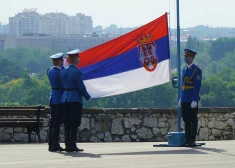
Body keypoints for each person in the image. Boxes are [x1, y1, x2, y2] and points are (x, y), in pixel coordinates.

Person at [60, 49, 91, 152]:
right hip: (75, 99)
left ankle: (67, 144)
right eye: (78, 58)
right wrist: (87, 96)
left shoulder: (63, 71)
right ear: (76, 59)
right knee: (74, 123)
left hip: (65, 98)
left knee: (67, 123)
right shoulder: (77, 72)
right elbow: (81, 87)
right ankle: (72, 144)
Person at [179, 49, 202, 147]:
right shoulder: (184, 69)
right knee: (186, 120)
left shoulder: (197, 70)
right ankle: (187, 140)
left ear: (192, 57)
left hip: (191, 99)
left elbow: (197, 86)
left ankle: (192, 140)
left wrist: (195, 99)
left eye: (188, 56)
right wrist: (180, 98)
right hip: (185, 98)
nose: (186, 58)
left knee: (193, 120)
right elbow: (182, 85)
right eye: (185, 56)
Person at [47, 52, 65, 152]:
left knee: (52, 122)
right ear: (59, 61)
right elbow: (62, 85)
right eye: (61, 60)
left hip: (53, 97)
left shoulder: (49, 71)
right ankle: (55, 143)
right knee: (56, 123)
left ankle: (51, 143)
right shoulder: (60, 72)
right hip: (59, 98)